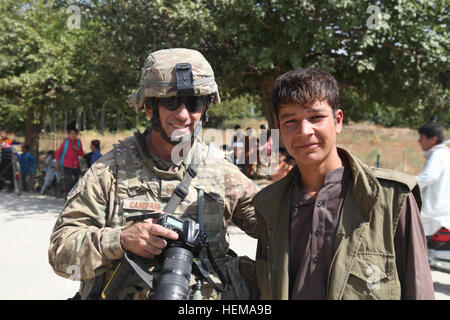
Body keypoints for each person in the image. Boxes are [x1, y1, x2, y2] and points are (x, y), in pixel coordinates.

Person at [48, 48, 258, 300]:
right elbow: (61, 253)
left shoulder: (220, 169)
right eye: (171, 102)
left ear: (204, 108)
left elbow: (274, 224)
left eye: (193, 103)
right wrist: (120, 240)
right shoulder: (110, 170)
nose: (183, 115)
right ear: (149, 108)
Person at [253, 68, 434, 300]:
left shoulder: (391, 199)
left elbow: (420, 292)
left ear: (338, 121)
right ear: (278, 129)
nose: (304, 131)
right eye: (291, 121)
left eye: (316, 118)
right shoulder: (270, 205)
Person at [416, 122, 450, 262]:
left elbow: (427, 178)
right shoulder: (444, 154)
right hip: (439, 210)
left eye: (422, 137)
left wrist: (403, 182)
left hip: (434, 212)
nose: (419, 141)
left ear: (433, 139)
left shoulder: (438, 155)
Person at [55, 125, 84, 197]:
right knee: (70, 181)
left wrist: (77, 149)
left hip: (76, 166)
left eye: (74, 133)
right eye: (71, 133)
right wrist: (57, 163)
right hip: (67, 165)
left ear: (76, 134)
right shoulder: (66, 142)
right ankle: (67, 197)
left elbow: (81, 153)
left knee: (76, 182)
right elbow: (58, 153)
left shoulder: (78, 142)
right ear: (68, 135)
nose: (73, 135)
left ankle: (73, 197)